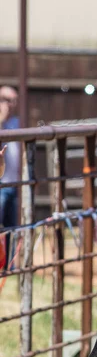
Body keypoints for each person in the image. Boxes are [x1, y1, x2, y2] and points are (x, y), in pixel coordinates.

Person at [0, 86, 20, 263]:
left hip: (14, 184)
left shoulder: (17, 122)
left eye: (13, 100)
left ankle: (9, 264)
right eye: (6, 99)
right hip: (1, 184)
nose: (10, 104)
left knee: (11, 228)